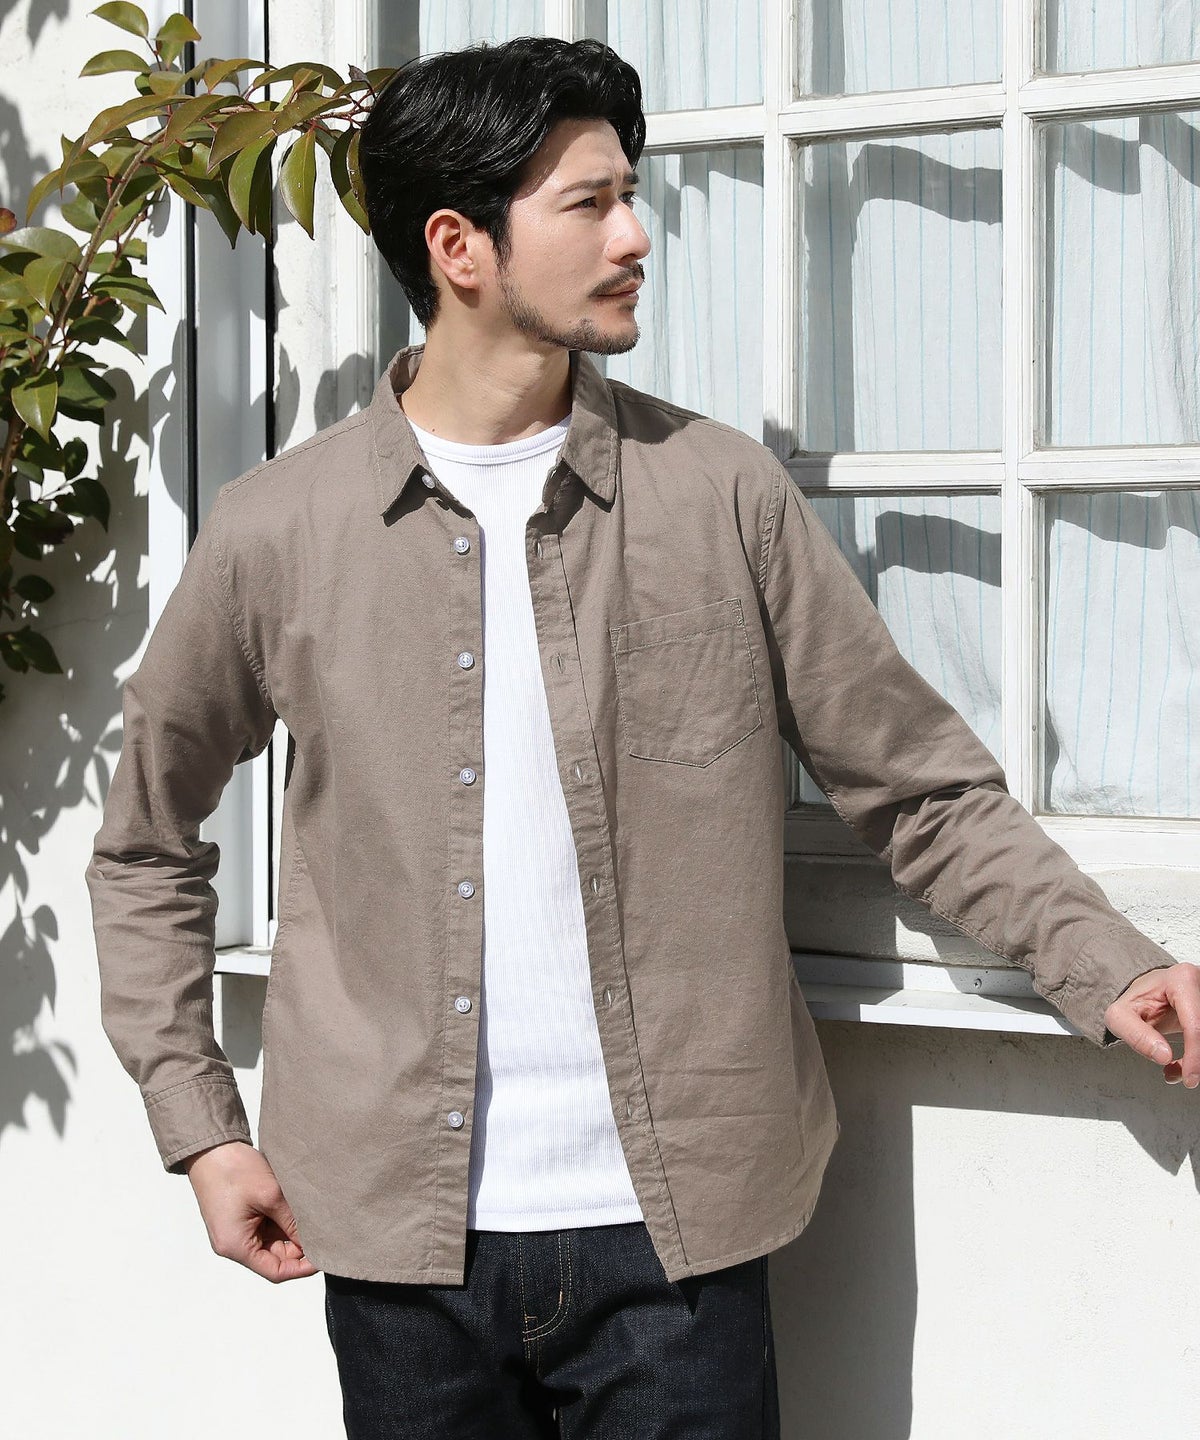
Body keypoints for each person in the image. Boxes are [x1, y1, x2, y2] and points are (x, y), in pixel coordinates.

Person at [86, 35, 1200, 1440]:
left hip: (679, 1239)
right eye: (590, 203)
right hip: (392, 1239)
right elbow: (144, 846)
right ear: (459, 247)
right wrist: (200, 1124)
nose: (636, 235)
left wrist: (1107, 961)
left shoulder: (719, 495)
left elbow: (917, 788)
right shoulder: (279, 531)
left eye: (631, 194)